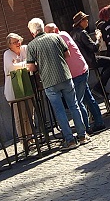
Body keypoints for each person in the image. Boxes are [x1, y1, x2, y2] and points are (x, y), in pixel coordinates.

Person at [24, 18, 88, 149]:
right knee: (74, 106)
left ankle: (70, 140)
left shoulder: (31, 46)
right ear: (42, 27)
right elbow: (67, 54)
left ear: (32, 32)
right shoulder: (56, 37)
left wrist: (39, 65)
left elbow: (31, 67)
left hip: (49, 81)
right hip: (65, 75)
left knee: (59, 111)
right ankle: (82, 136)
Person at [47, 24, 105, 136]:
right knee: (87, 97)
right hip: (79, 70)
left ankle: (86, 128)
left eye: (49, 32)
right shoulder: (63, 34)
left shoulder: (61, 37)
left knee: (77, 102)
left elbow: (63, 54)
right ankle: (98, 122)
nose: (48, 36)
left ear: (56, 30)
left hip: (77, 73)